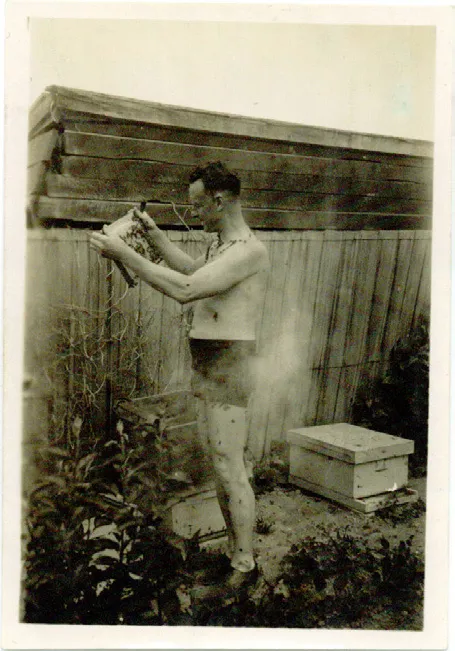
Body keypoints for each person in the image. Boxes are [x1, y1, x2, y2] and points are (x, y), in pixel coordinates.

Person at [90, 161, 269, 600]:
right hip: (208, 357)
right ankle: (234, 555)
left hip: (231, 358)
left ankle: (245, 567)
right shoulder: (222, 247)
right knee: (218, 464)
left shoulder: (250, 250)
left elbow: (186, 290)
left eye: (197, 206)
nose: (194, 215)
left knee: (230, 466)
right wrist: (151, 237)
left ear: (219, 201)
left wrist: (123, 252)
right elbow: (193, 273)